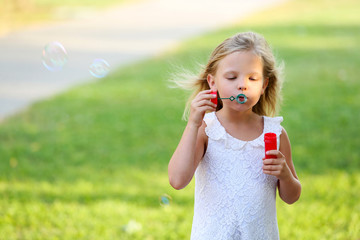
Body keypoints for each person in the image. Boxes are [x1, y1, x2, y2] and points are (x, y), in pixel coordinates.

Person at [168, 32, 301, 239]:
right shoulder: (207, 130)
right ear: (213, 83)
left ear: (264, 85)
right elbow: (177, 180)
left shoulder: (275, 134)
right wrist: (193, 124)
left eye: (252, 78)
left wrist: (285, 175)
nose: (242, 85)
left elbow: (292, 197)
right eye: (232, 77)